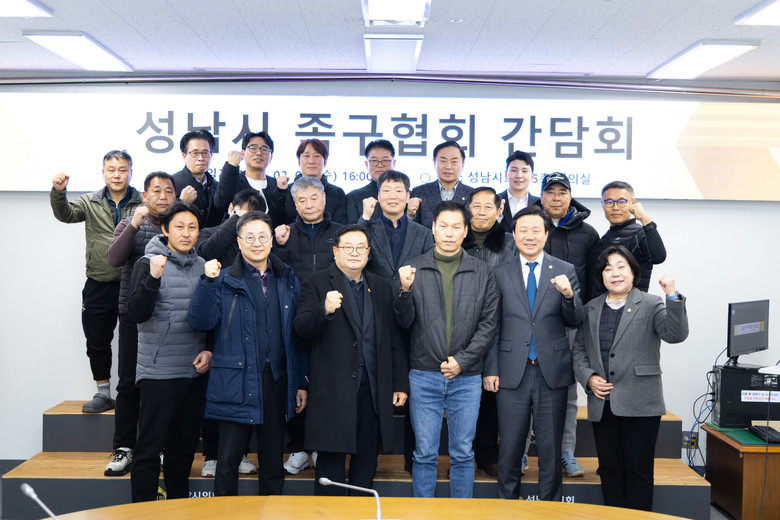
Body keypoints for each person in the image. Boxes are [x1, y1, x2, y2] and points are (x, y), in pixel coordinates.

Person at [188, 211, 307, 496]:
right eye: (249, 237)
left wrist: (300, 382)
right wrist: (207, 283)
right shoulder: (222, 279)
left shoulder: (288, 278)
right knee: (227, 461)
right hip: (235, 381)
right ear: (239, 242)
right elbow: (201, 321)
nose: (257, 243)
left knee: (272, 460)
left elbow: (296, 336)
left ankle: (271, 512)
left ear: (272, 241)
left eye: (263, 236)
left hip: (276, 379)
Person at [394, 201, 499, 498]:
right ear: (433, 228)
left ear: (466, 231)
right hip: (423, 374)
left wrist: (462, 361)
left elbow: (488, 325)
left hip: (466, 377)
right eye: (443, 226)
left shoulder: (483, 272)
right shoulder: (412, 268)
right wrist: (404, 291)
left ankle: (460, 514)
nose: (449, 233)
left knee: (463, 453)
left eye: (456, 227)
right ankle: (423, 514)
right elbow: (402, 323)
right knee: (424, 453)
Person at [294, 225, 409, 495]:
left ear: (368, 253)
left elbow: (393, 340)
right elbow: (301, 329)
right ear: (335, 252)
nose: (354, 252)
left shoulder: (381, 287)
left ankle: (360, 510)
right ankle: (328, 511)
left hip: (372, 388)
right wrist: (323, 310)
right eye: (348, 247)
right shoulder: (316, 283)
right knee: (330, 466)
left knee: (366, 461)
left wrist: (399, 383)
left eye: (361, 247)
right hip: (333, 391)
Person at [572, 246, 688, 511]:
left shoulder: (651, 303)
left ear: (633, 272)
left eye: (621, 267)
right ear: (601, 276)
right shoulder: (591, 308)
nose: (614, 273)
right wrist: (588, 378)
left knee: (638, 471)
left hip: (641, 402)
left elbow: (675, 334)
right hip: (603, 402)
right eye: (608, 268)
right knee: (609, 469)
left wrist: (672, 296)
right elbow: (578, 349)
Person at [483, 206, 583, 502]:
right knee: (510, 446)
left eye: (536, 230)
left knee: (550, 448)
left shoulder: (564, 270)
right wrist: (491, 369)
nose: (530, 236)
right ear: (513, 235)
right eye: (523, 230)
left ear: (546, 234)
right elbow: (492, 325)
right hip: (510, 370)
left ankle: (549, 508)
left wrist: (569, 296)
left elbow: (575, 319)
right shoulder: (499, 272)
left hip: (551, 370)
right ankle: (507, 506)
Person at [128, 202, 211, 502]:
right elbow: (136, 314)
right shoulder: (147, 262)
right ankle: (143, 512)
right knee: (149, 450)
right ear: (165, 229)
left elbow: (211, 317)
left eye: (192, 227)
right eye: (179, 227)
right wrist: (153, 278)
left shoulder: (204, 266)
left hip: (193, 373)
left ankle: (178, 509)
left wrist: (209, 351)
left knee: (183, 451)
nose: (186, 233)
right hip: (158, 372)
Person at [50, 149, 143, 413]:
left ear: (131, 172)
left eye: (122, 170)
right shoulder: (90, 201)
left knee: (135, 342)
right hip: (99, 282)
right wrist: (58, 192)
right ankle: (103, 393)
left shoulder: (142, 201)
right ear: (103, 173)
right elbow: (66, 214)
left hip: (133, 283)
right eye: (111, 170)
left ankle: (133, 394)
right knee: (97, 340)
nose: (117, 175)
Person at [104, 172, 175, 476]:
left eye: (168, 191)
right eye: (156, 191)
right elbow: (114, 259)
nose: (163, 196)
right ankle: (124, 447)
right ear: (144, 196)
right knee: (128, 383)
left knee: (161, 387)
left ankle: (158, 446)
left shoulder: (180, 226)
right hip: (134, 315)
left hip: (169, 319)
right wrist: (134, 224)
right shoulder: (130, 223)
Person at [273, 176, 342, 474]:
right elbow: (276, 272)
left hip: (333, 316)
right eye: (302, 200)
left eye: (314, 198)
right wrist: (279, 246)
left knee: (328, 386)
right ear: (295, 203)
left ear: (324, 199)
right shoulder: (285, 234)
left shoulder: (340, 233)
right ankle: (298, 448)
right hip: (295, 319)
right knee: (296, 384)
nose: (309, 204)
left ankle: (322, 448)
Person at [536, 171, 599, 478]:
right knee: (525, 390)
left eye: (562, 192)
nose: (556, 197)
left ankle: (566, 453)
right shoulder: (531, 227)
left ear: (571, 196)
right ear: (541, 197)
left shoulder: (587, 233)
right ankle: (520, 454)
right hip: (533, 321)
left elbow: (596, 281)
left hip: (572, 323)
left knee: (569, 394)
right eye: (551, 192)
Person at [462, 186, 516, 478]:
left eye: (488, 207)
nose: (481, 212)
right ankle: (460, 457)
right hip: (460, 327)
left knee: (491, 395)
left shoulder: (510, 243)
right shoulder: (456, 238)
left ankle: (486, 454)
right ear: (467, 208)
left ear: (499, 210)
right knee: (462, 396)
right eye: (476, 206)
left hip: (499, 327)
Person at [587, 181, 666, 301]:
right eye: (609, 202)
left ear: (633, 203)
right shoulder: (601, 240)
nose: (615, 207)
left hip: (631, 309)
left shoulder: (639, 234)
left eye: (622, 202)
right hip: (599, 310)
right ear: (602, 204)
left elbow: (658, 257)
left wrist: (644, 219)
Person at [358, 170, 434, 287]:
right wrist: (365, 217)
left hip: (412, 295)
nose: (392, 196)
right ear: (378, 196)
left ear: (408, 196)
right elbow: (357, 254)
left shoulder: (424, 234)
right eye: (386, 191)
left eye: (398, 191)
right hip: (374, 294)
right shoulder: (368, 229)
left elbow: (428, 273)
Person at [214, 130, 285, 226]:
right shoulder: (233, 180)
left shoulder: (277, 185)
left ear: (271, 157)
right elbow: (221, 203)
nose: (259, 153)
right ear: (243, 153)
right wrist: (231, 167)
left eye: (264, 149)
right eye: (253, 148)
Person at [275, 138, 348, 225]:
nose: (311, 161)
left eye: (317, 156)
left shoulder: (337, 193)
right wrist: (280, 192)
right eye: (306, 156)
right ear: (298, 161)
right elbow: (276, 222)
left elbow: (341, 227)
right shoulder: (286, 191)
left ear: (325, 161)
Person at [408, 140, 473, 230]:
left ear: (462, 165)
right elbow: (412, 229)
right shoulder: (419, 192)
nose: (448, 166)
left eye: (454, 162)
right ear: (434, 163)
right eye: (443, 161)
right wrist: (409, 215)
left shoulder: (472, 194)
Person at [173, 129, 223, 228]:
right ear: (184, 156)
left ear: (211, 155)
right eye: (195, 153)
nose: (201, 158)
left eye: (205, 153)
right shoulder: (172, 183)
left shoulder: (217, 187)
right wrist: (181, 203)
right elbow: (162, 216)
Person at [346, 139, 397, 223]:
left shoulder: (405, 195)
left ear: (394, 163)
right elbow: (351, 228)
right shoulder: (354, 197)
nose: (380, 165)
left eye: (385, 160)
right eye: (374, 161)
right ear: (366, 164)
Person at [498, 151, 539, 232]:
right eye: (514, 170)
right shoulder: (495, 201)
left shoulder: (540, 204)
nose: (519, 176)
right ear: (506, 174)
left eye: (524, 171)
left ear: (532, 176)